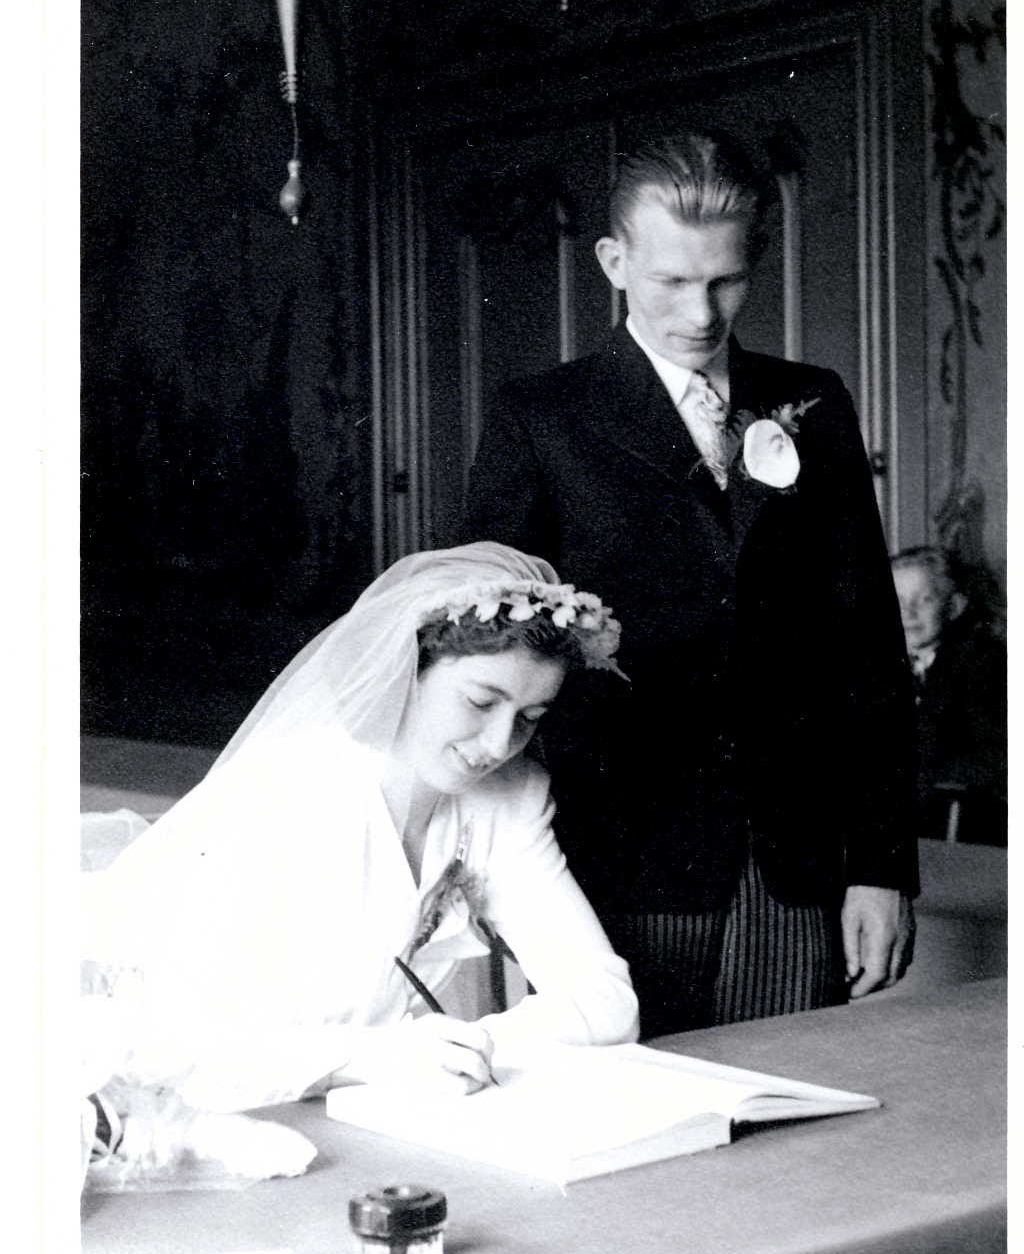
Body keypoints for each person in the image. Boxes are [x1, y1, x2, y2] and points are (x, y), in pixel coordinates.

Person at [465, 127, 918, 1038]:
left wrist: (881, 866)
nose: (702, 313)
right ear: (613, 262)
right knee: (628, 1113)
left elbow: (868, 647)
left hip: (793, 863)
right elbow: (482, 648)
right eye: (672, 281)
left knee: (797, 1105)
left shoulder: (817, 402)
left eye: (726, 280)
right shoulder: (540, 418)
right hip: (612, 855)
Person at [80, 542, 638, 1182]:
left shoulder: (509, 799)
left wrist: (467, 1047)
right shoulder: (285, 794)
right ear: (407, 672)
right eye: (481, 703)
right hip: (201, 1138)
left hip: (367, 1126)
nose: (498, 744)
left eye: (529, 718)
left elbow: (606, 1000)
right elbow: (170, 1048)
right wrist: (372, 1056)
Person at [891, 546, 1007, 845]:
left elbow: (997, 756)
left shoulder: (983, 663)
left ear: (954, 606)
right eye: (897, 600)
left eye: (925, 599)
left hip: (952, 819)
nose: (908, 612)